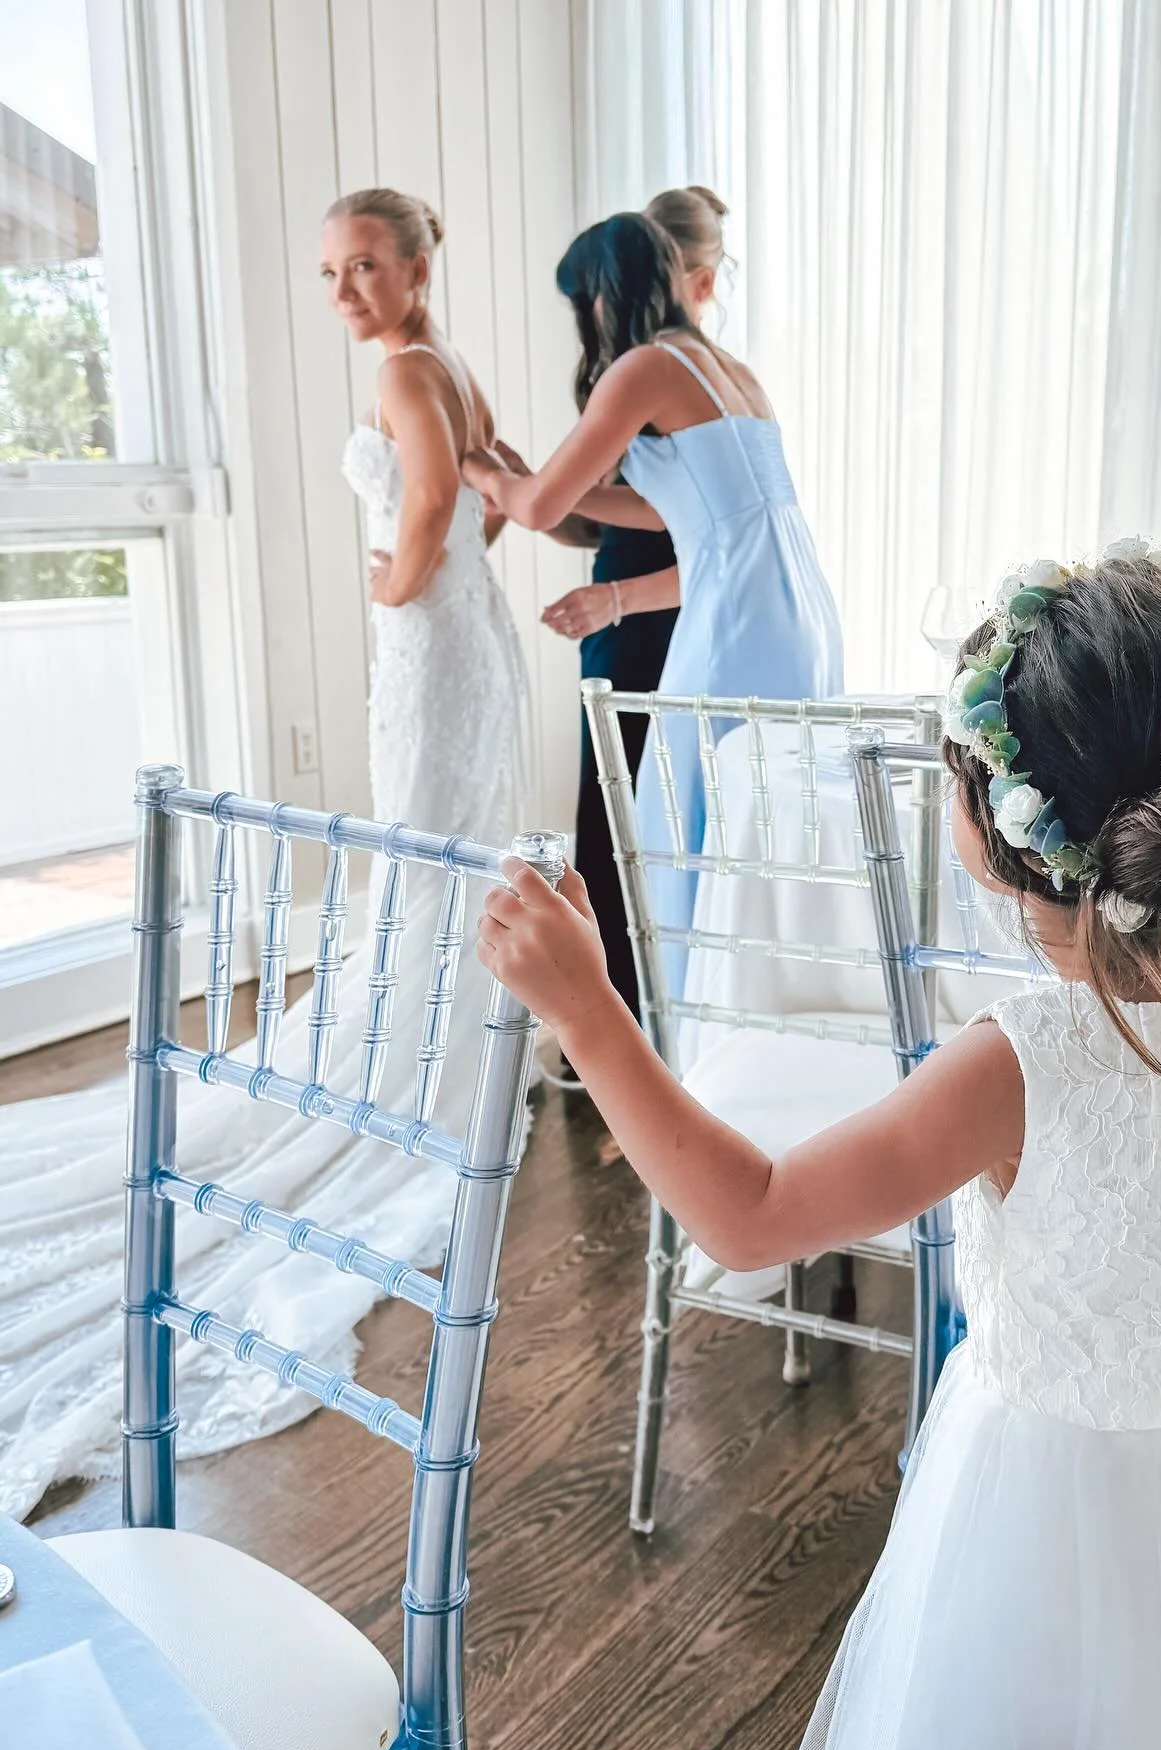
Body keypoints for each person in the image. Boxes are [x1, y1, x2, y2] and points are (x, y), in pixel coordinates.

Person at [474, 543, 1161, 1750]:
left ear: (997, 835)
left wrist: (589, 1015)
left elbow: (750, 1218)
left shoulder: (1021, 1064)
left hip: (1058, 1525)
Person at [0, 190, 531, 1520]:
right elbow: (498, 489)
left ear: (416, 265)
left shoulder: (406, 371)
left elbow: (432, 506)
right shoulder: (449, 366)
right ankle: (440, 1045)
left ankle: (410, 1059)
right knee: (442, 847)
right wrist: (439, 570)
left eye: (365, 266)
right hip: (466, 637)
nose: (344, 291)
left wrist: (394, 584)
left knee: (424, 847)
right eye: (331, 272)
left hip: (434, 640)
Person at [466, 210, 842, 994]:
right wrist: (548, 485)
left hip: (732, 613)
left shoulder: (642, 367)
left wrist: (481, 469)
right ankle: (755, 999)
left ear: (601, 295)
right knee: (762, 817)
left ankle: (684, 1016)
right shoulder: (727, 367)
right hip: (796, 607)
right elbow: (679, 509)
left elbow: (536, 508)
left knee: (687, 814)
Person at [537, 188, 732, 1028]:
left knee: (645, 822)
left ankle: (634, 1022)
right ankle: (612, 1015)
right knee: (612, 813)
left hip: (661, 623)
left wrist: (613, 596)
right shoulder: (654, 375)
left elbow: (708, 543)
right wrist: (541, 492)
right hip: (619, 622)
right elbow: (601, 514)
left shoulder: (688, 383)